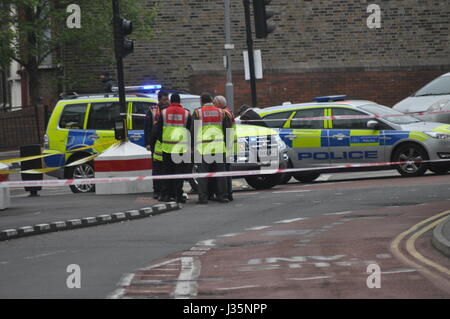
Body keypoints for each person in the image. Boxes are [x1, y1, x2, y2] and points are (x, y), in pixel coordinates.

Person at [191, 93, 230, 204]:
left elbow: (194, 130)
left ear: (201, 101)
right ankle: (222, 196)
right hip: (218, 147)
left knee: (203, 174)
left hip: (204, 148)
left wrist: (192, 146)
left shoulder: (198, 112)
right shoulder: (221, 112)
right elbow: (227, 129)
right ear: (212, 100)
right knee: (220, 173)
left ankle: (203, 197)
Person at [153, 93, 191, 203]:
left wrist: (162, 140)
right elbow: (190, 131)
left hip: (166, 148)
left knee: (167, 173)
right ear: (180, 101)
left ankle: (166, 195)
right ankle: (178, 195)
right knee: (179, 173)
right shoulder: (186, 113)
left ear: (170, 100)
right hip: (180, 149)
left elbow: (158, 130)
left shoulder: (164, 113)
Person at [146, 91, 170, 200]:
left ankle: (166, 190)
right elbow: (147, 127)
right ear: (159, 100)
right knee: (156, 169)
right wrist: (148, 143)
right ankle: (157, 190)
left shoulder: (169, 110)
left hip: (167, 143)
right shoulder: (152, 110)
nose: (167, 102)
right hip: (155, 143)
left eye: (167, 99)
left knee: (166, 169)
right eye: (164, 100)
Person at [213, 95, 235, 201]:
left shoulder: (224, 113)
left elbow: (226, 130)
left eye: (215, 103)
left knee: (224, 170)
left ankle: (227, 193)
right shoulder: (228, 110)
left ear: (219, 104)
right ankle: (229, 193)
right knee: (227, 170)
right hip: (230, 143)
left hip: (226, 144)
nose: (213, 105)